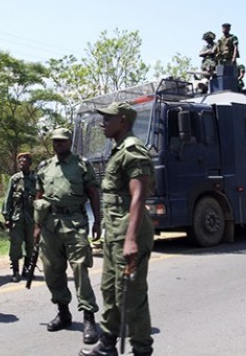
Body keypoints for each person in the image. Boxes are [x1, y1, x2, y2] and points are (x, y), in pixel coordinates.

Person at [81, 102, 155, 356]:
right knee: (110, 291)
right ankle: (108, 345)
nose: (103, 123)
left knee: (131, 296)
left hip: (128, 233)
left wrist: (131, 239)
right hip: (115, 233)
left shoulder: (133, 151)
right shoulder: (118, 149)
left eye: (108, 119)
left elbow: (138, 196)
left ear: (123, 121)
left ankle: (142, 350)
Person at [34, 127, 101, 345]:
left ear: (69, 142)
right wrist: (37, 226)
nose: (58, 144)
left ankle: (89, 318)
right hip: (50, 225)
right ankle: (63, 312)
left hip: (75, 223)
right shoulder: (44, 166)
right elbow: (39, 195)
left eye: (62, 141)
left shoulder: (82, 164)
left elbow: (93, 193)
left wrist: (98, 221)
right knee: (52, 270)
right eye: (55, 141)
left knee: (80, 268)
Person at [2, 152, 37, 282]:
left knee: (31, 244)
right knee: (15, 244)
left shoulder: (36, 179)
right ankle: (15, 271)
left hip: (31, 217)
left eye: (24, 161)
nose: (22, 163)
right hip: (17, 217)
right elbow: (8, 198)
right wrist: (6, 216)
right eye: (20, 161)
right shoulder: (15, 179)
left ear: (30, 163)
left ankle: (27, 269)